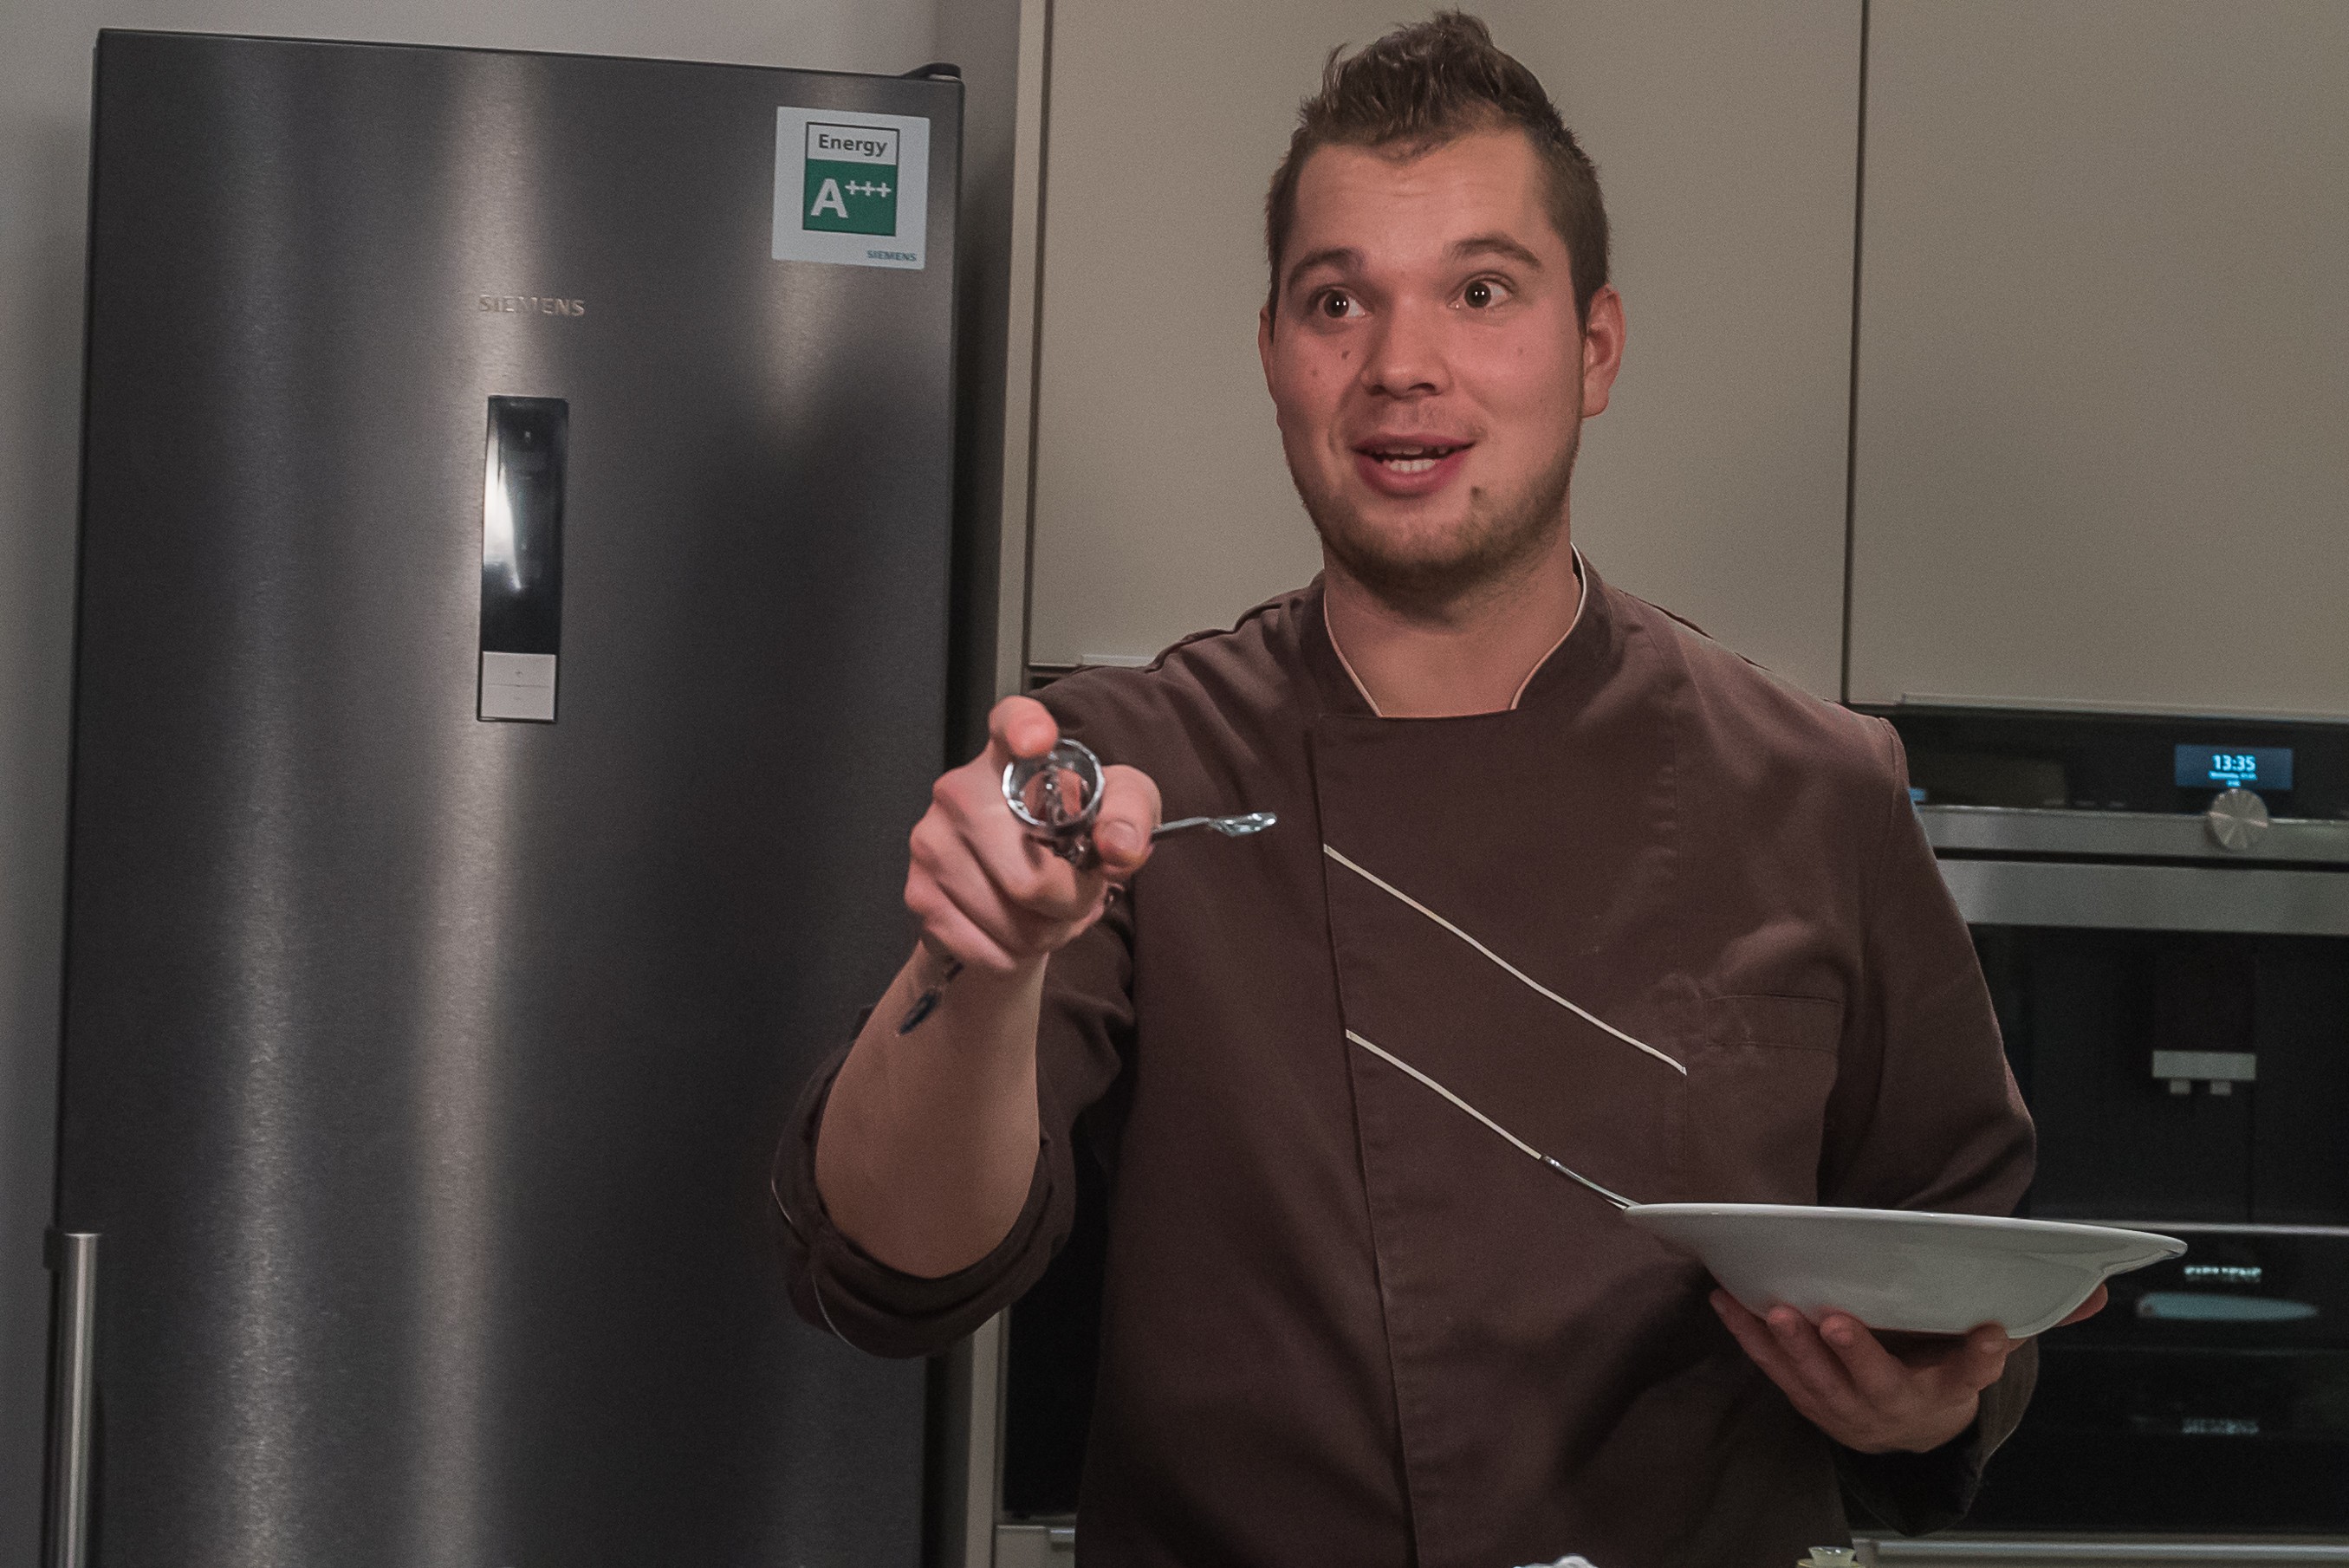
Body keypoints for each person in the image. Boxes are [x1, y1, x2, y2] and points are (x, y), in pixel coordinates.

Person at [775, 14, 2097, 1565]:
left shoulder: (1821, 787)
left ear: (1594, 349)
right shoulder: (1127, 770)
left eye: (1480, 292)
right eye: (1338, 300)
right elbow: (896, 1266)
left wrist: (1926, 1402)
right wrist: (978, 966)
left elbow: (1969, 1271)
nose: (1401, 366)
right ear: (1273, 353)